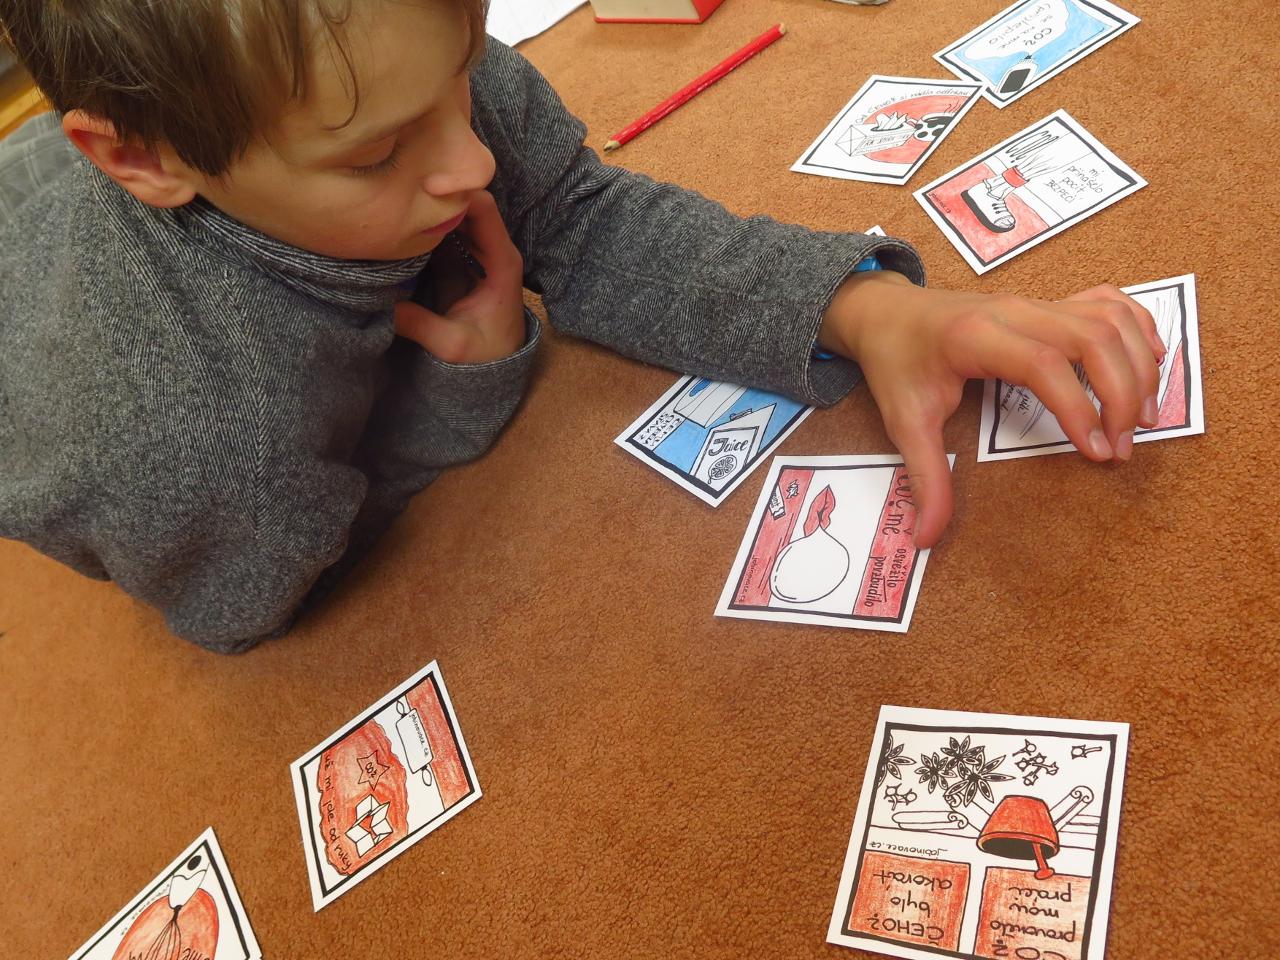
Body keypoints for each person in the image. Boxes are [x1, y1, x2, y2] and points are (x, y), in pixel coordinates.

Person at [0, 0, 1165, 652]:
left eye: (462, 72)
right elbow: (237, 606)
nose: (472, 162)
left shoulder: (380, 57)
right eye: (378, 155)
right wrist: (463, 392)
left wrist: (861, 306)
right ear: (142, 160)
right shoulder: (185, 447)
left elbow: (571, 211)